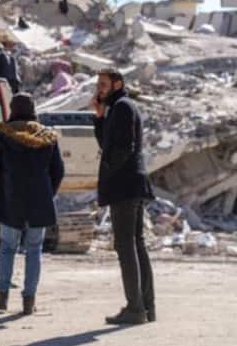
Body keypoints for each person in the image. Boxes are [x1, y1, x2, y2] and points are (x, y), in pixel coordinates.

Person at [0, 92, 63, 315]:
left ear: (12, 109)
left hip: (11, 199)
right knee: (34, 249)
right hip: (39, 200)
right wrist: (48, 192)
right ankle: (29, 301)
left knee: (7, 247)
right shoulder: (46, 136)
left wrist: (1, 189)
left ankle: (2, 297)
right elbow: (58, 171)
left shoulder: (3, 136)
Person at [92, 69, 155, 326]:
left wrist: (109, 169)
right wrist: (98, 117)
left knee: (126, 246)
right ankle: (146, 306)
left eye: (104, 85)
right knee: (135, 244)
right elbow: (107, 143)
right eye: (99, 85)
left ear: (118, 84)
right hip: (131, 184)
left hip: (124, 185)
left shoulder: (123, 107)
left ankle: (135, 308)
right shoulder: (117, 108)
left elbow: (123, 148)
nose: (100, 89)